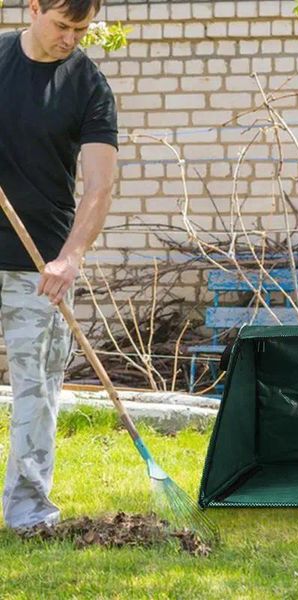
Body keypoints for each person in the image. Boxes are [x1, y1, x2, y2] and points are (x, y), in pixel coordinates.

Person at [0, 0, 118, 529]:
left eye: (82, 29)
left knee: (36, 390)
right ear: (32, 8)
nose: (71, 39)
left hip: (38, 263)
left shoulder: (87, 85)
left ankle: (27, 515)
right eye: (62, 25)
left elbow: (99, 184)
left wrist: (70, 256)